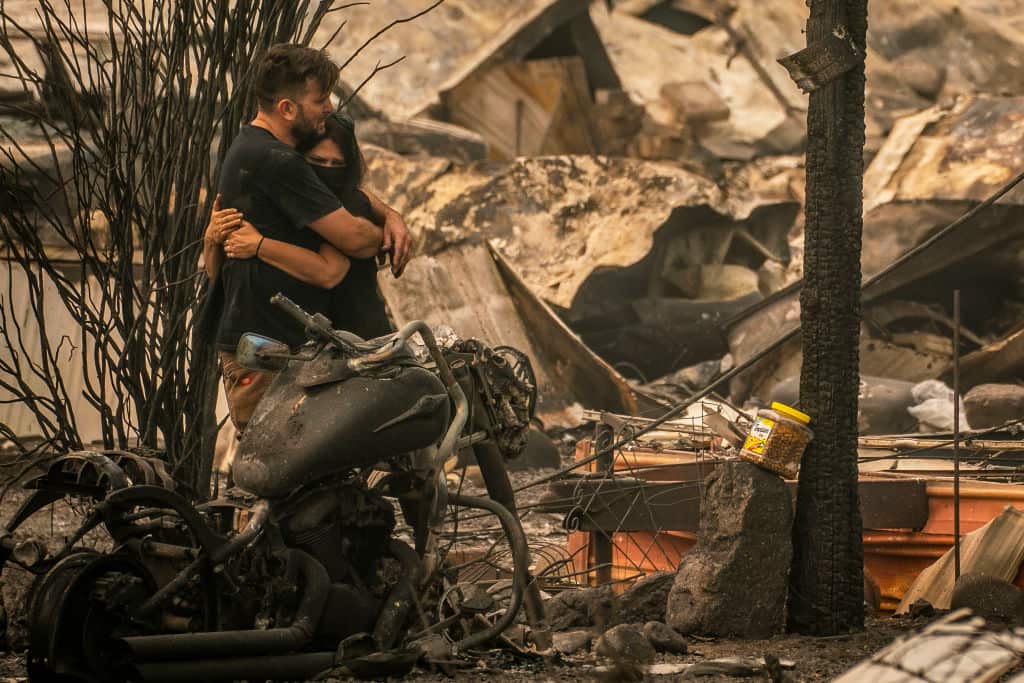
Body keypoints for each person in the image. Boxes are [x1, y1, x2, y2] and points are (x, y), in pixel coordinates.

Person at [202, 43, 411, 433]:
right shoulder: (277, 162)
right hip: (267, 350)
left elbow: (341, 191)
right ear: (287, 108)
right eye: (320, 99)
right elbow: (355, 241)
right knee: (278, 463)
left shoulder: (252, 147)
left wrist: (389, 213)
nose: (329, 107)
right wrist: (383, 232)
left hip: (273, 346)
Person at [221, 112, 399, 340]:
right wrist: (212, 237)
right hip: (288, 336)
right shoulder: (291, 202)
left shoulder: (347, 206)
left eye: (337, 164)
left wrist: (259, 245)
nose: (328, 170)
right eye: (318, 161)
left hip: (358, 339)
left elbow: (330, 271)